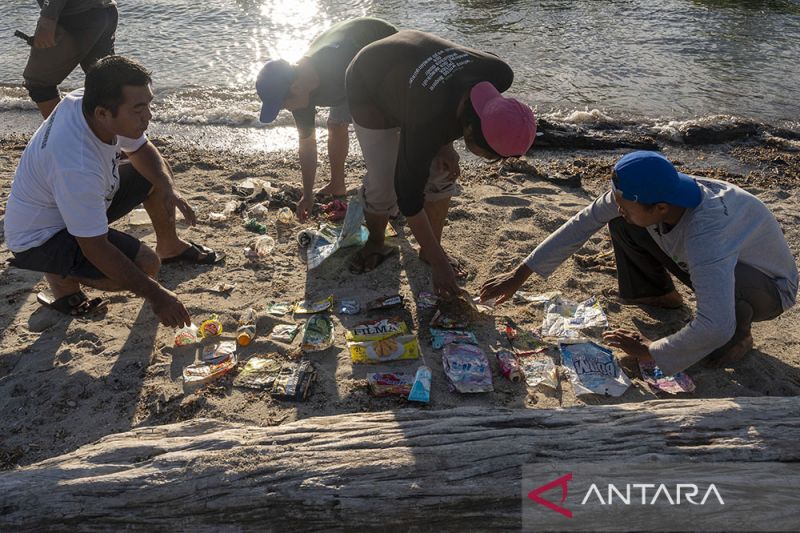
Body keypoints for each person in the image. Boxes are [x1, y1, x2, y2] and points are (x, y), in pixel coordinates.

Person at [480, 151, 798, 375]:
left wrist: (650, 350)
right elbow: (582, 224)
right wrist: (519, 275)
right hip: (711, 264)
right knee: (623, 223)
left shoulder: (708, 232)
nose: (617, 206)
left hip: (766, 288)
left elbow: (716, 325)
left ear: (660, 206)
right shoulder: (650, 190)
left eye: (623, 203)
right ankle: (659, 293)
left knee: (719, 331)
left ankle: (742, 335)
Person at [4, 56, 224, 326]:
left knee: (157, 172)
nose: (149, 116)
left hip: (73, 202)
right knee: (146, 265)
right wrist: (158, 296)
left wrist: (169, 188)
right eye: (139, 108)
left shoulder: (89, 98)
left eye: (149, 104)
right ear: (102, 114)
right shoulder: (77, 166)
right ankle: (61, 277)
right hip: (41, 237)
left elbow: (141, 149)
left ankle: (170, 246)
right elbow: (96, 247)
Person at [345, 30, 537, 297]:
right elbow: (408, 198)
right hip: (370, 76)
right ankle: (376, 241)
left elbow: (456, 93)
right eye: (487, 154)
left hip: (415, 73)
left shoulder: (499, 73)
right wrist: (441, 264)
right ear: (469, 129)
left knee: (442, 172)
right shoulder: (427, 119)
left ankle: (430, 247)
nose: (488, 160)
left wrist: (446, 145)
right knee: (384, 180)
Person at [255, 17, 398, 221]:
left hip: (382, 49)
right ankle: (337, 183)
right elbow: (307, 145)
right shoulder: (299, 93)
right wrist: (307, 193)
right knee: (336, 124)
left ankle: (397, 192)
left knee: (381, 129)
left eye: (282, 104)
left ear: (295, 89)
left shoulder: (337, 65)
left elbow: (385, 118)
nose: (285, 109)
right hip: (343, 77)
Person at [23, 0, 119, 119]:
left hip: (75, 15)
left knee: (39, 83)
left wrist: (47, 18)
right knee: (104, 82)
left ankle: (65, 135)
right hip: (104, 9)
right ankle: (123, 134)